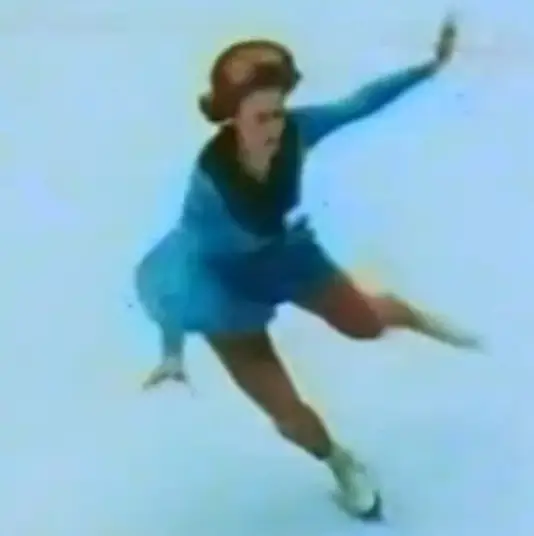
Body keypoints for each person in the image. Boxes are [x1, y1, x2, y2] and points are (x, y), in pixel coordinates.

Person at [134, 17, 479, 519]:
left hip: (288, 259)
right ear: (232, 118)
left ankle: (408, 315)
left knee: (364, 325)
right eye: (261, 118)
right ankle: (339, 462)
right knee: (287, 413)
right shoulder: (209, 190)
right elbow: (175, 277)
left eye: (278, 114)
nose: (274, 128)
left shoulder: (298, 131)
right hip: (226, 292)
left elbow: (360, 103)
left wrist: (430, 67)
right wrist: (172, 351)